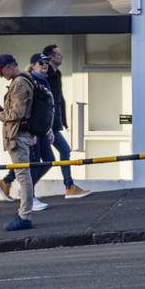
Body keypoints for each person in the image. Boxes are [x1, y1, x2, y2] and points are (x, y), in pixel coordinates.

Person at [0, 53, 54, 231]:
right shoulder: (26, 80)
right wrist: (3, 110)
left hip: (18, 136)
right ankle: (24, 213)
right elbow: (21, 111)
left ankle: (24, 216)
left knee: (23, 176)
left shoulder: (19, 83)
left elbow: (17, 114)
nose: (1, 75)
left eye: (1, 72)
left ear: (10, 66)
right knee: (23, 175)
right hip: (23, 134)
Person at [42, 43, 90, 199]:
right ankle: (69, 186)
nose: (61, 56)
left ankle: (69, 186)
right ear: (49, 58)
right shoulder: (45, 74)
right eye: (57, 54)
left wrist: (62, 121)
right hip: (43, 124)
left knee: (55, 154)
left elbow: (58, 98)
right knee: (46, 157)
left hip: (53, 123)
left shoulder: (58, 74)